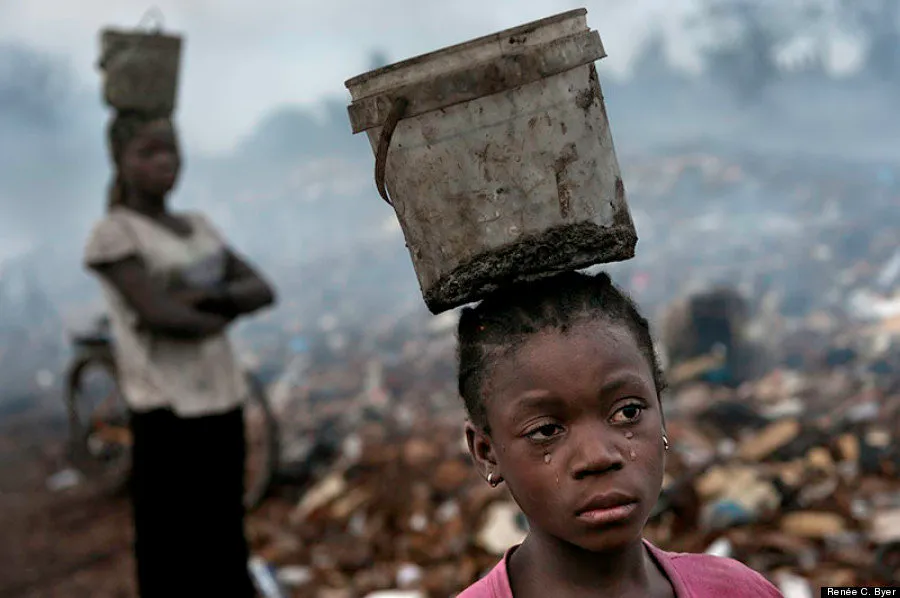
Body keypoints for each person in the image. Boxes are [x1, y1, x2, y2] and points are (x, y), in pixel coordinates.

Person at [455, 271, 782, 598]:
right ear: (486, 453)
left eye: (628, 412)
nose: (598, 456)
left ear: (662, 414)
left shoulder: (735, 590)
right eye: (546, 430)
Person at [83, 110, 276, 597]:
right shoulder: (116, 233)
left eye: (170, 148)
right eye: (148, 152)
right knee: (171, 547)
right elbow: (161, 316)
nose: (164, 161)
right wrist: (222, 307)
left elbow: (262, 289)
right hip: (167, 410)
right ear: (119, 160)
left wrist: (204, 302)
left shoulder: (197, 225)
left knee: (225, 533)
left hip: (222, 396)